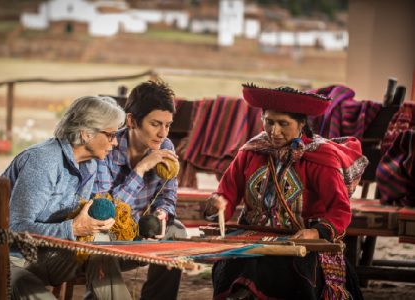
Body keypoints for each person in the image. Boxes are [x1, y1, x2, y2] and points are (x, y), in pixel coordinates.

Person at [204, 84, 368, 300]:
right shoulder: (251, 152)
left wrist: (316, 233)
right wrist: (217, 206)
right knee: (239, 260)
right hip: (251, 236)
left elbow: (339, 209)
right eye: (269, 122)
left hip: (298, 241)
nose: (274, 131)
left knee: (275, 266)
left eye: (284, 124)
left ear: (301, 124)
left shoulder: (320, 158)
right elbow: (226, 193)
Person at [0, 96, 132, 299]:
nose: (115, 142)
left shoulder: (90, 164)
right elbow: (15, 228)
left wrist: (94, 225)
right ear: (86, 134)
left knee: (102, 251)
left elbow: (74, 223)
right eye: (111, 135)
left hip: (35, 255)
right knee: (21, 283)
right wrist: (74, 228)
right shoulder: (43, 161)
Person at [93, 80, 187, 300]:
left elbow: (168, 194)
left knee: (177, 233)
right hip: (107, 232)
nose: (163, 133)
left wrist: (161, 214)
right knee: (100, 242)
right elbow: (105, 211)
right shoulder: (106, 147)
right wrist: (141, 168)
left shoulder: (165, 146)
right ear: (132, 121)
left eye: (168, 125)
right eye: (155, 124)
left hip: (142, 231)